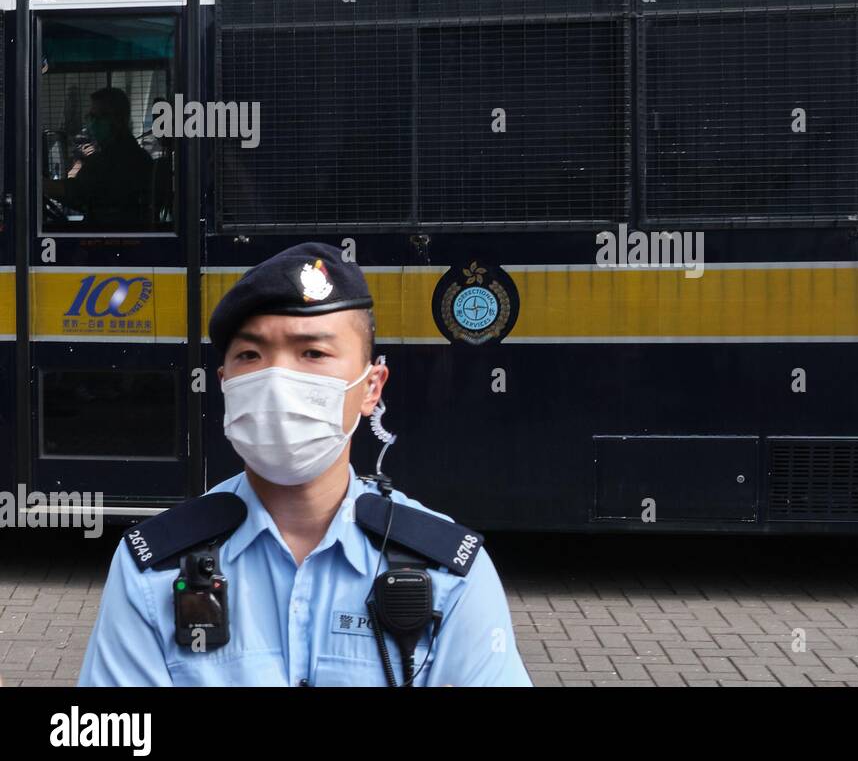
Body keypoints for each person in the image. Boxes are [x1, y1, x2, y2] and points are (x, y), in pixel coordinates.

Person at [78, 242, 533, 686]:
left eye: (312, 353)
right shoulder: (152, 569)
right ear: (225, 383)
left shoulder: (449, 575)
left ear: (371, 386)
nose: (277, 380)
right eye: (250, 355)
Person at [43, 86, 155, 230]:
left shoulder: (113, 160)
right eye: (90, 117)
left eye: (97, 117)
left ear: (117, 119)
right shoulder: (139, 156)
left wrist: (41, 185)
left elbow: (77, 192)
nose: (91, 122)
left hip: (107, 238)